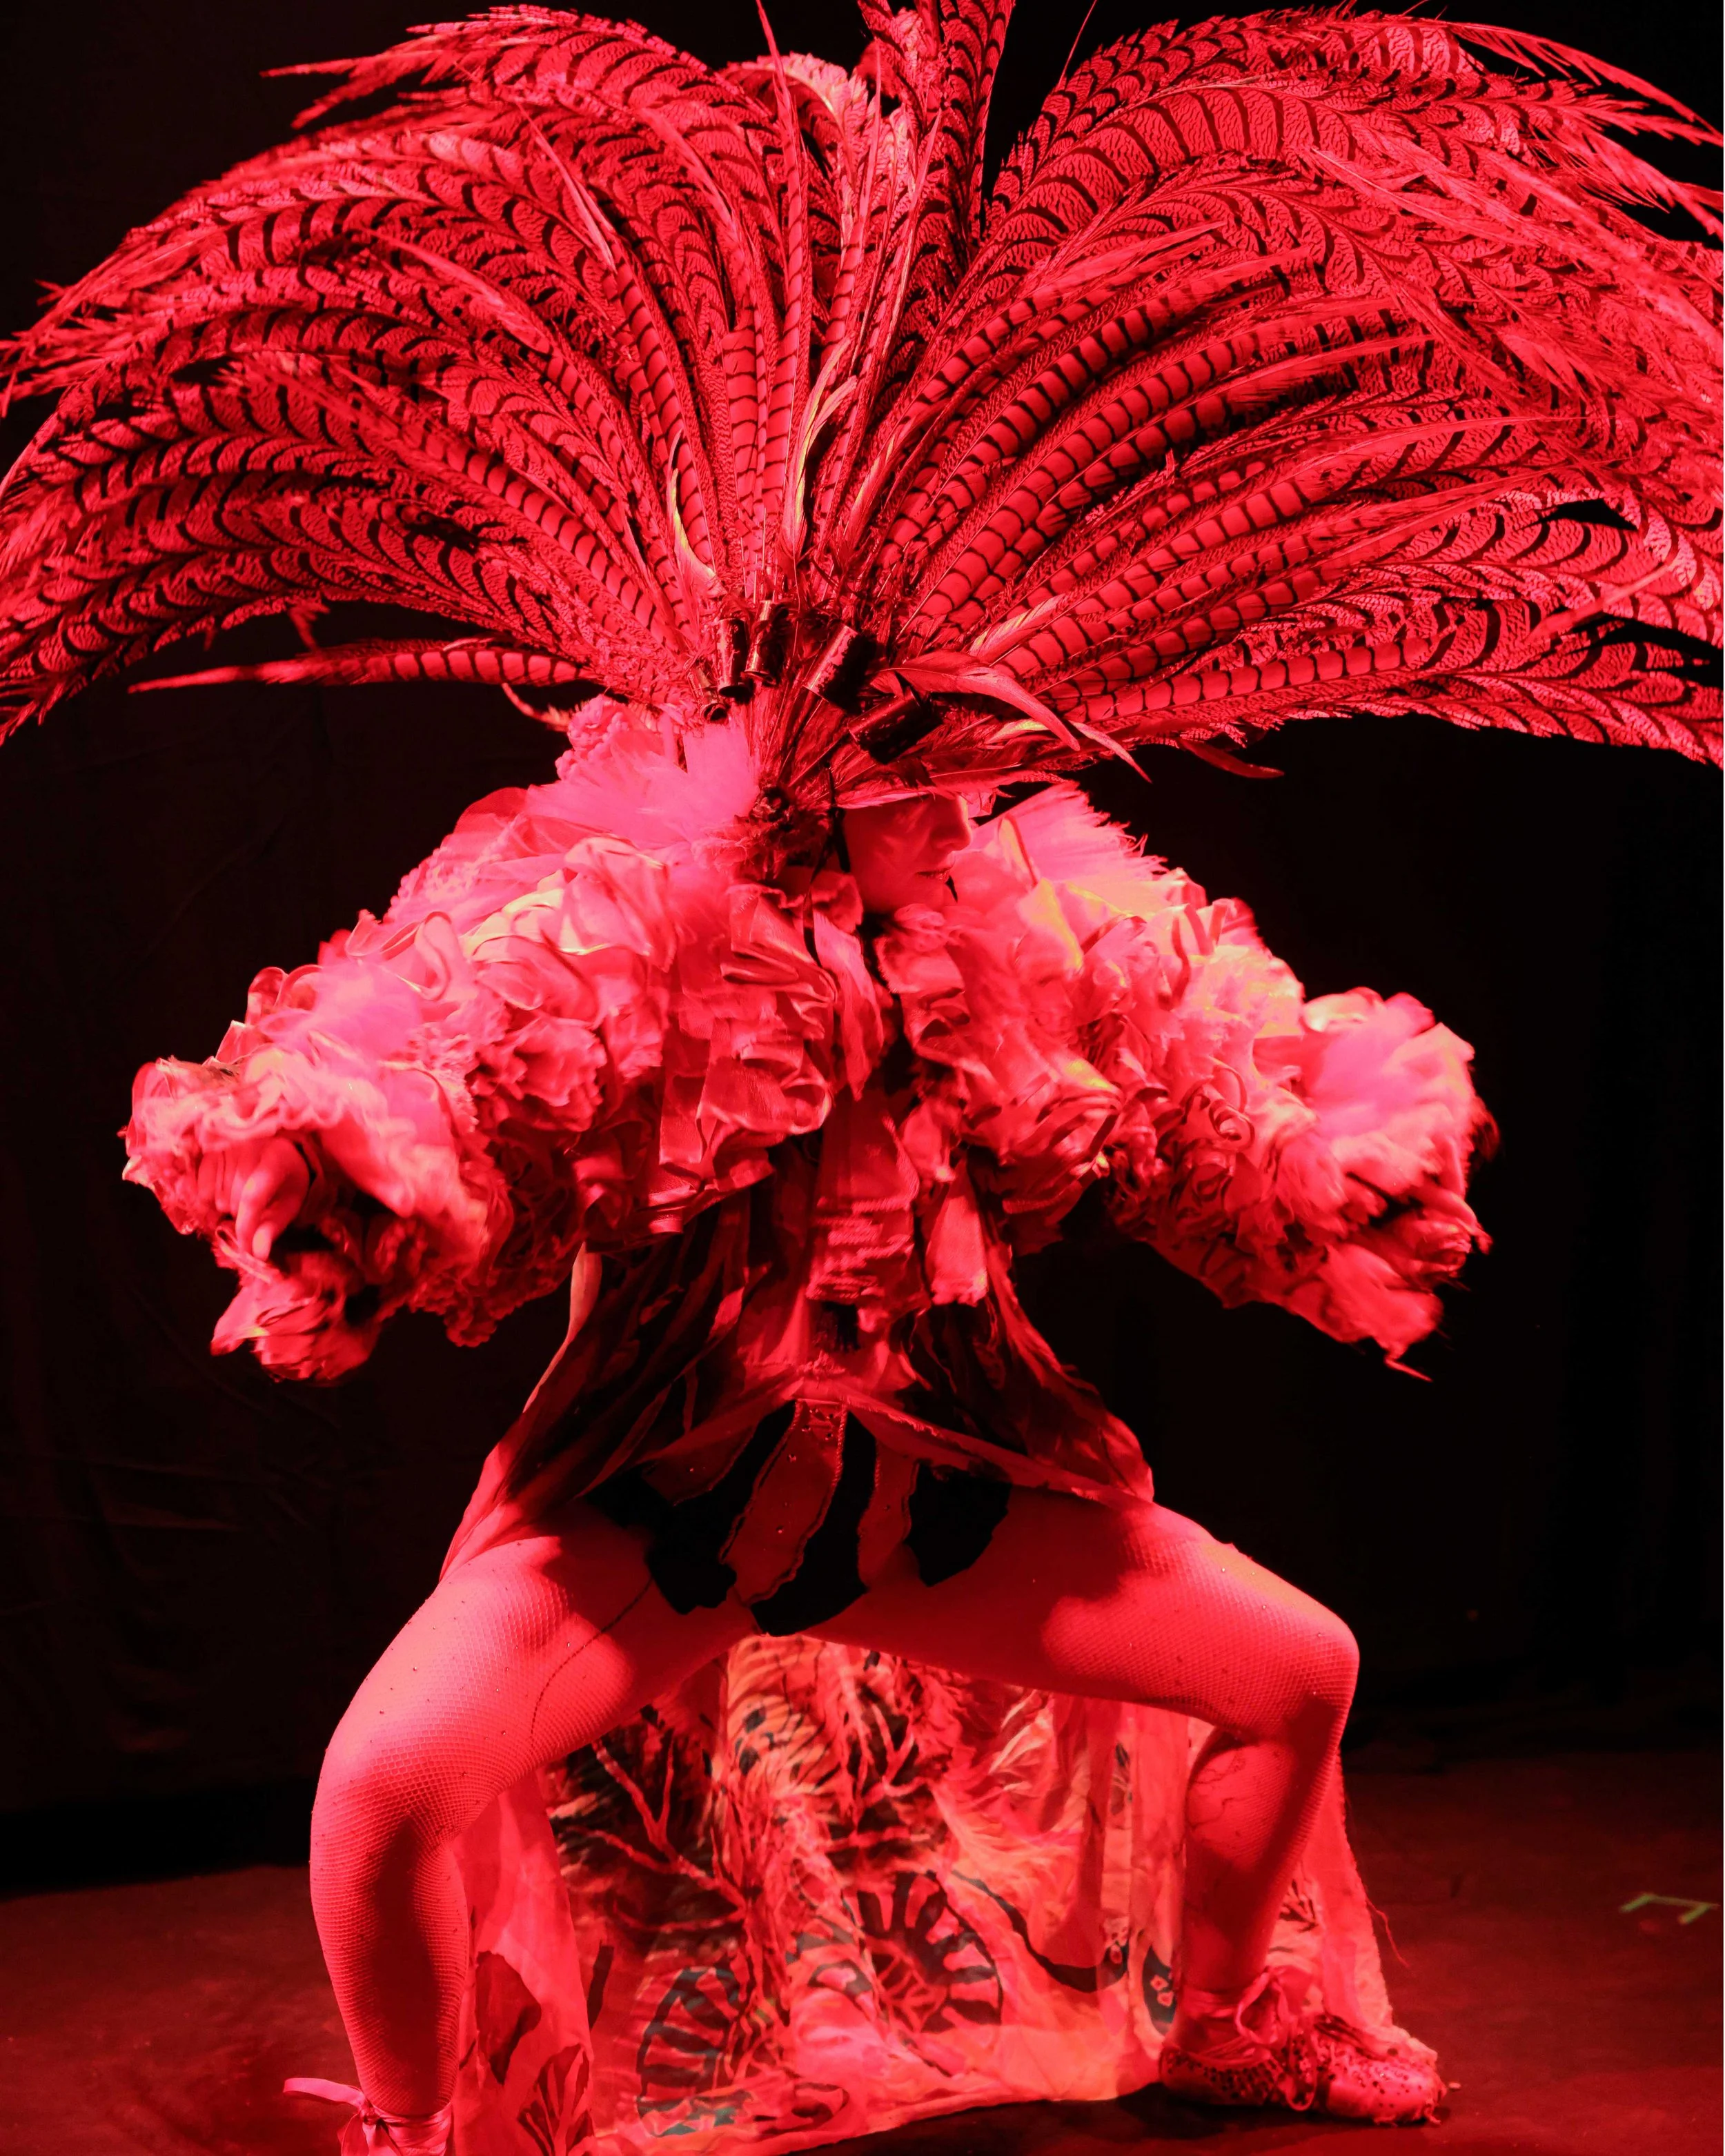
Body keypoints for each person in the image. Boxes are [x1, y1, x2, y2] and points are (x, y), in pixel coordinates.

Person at [0, 6, 1715, 2150]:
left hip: (947, 1476)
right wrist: (338, 1185)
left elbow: (1217, 1083)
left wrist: (1338, 1162)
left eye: (909, 701)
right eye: (829, 681)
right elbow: (444, 1060)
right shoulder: (606, 889)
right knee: (382, 1781)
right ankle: (436, 2124)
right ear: (742, 658)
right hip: (665, 1493)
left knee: (1297, 1670)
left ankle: (1211, 2021)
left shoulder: (1033, 900)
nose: (869, 732)